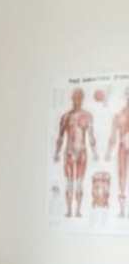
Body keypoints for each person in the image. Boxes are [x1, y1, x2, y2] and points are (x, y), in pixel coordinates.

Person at [53, 87, 97, 218]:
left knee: (79, 182)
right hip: (69, 151)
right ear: (72, 98)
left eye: (79, 98)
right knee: (69, 182)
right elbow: (60, 136)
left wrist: (94, 152)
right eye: (75, 97)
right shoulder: (66, 117)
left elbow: (91, 136)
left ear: (82, 99)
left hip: (82, 151)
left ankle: (77, 210)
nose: (77, 100)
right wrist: (56, 152)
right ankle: (69, 210)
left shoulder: (87, 116)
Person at [105, 85, 129, 217]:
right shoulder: (119, 116)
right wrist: (108, 152)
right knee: (122, 176)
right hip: (123, 147)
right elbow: (113, 136)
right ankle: (122, 210)